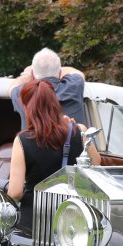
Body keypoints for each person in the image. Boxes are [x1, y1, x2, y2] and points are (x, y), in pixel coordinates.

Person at [8, 80, 85, 232]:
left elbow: (15, 193)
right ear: (55, 102)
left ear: (28, 107)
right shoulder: (79, 131)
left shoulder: (22, 140)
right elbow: (95, 162)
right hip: (72, 221)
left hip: (34, 222)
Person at [11, 48, 88, 128]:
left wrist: (28, 73)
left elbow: (13, 86)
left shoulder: (23, 93)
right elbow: (77, 73)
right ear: (60, 73)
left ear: (33, 74)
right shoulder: (73, 86)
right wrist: (53, 68)